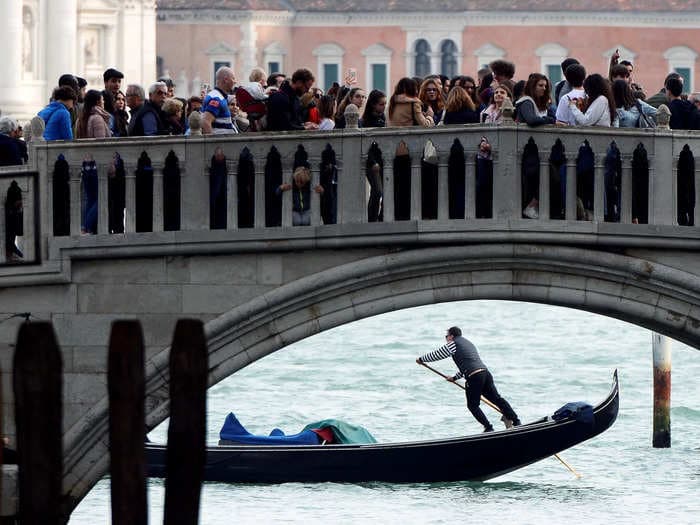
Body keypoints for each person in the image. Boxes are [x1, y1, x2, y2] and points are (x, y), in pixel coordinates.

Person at [416, 326, 521, 432]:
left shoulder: (453, 344)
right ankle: (517, 422)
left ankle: (488, 428)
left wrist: (421, 359)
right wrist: (454, 377)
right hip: (485, 374)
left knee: (472, 405)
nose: (446, 339)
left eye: (446, 336)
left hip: (474, 377)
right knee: (497, 400)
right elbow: (469, 364)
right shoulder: (468, 344)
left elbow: (438, 354)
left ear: (451, 336)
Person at [202, 66, 238, 134]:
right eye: (233, 78)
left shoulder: (219, 97)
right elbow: (205, 122)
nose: (235, 82)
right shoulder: (216, 98)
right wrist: (212, 143)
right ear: (226, 80)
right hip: (219, 144)